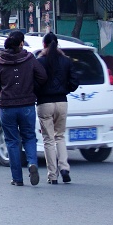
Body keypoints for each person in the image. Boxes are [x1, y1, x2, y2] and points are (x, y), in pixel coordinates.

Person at [0, 31, 47, 186]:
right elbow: (43, 76)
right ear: (21, 43)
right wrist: (31, 89)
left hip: (7, 106)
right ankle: (32, 163)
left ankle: (17, 178)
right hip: (27, 105)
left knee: (11, 141)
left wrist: (4, 94)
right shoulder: (29, 59)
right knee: (29, 137)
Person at [36, 32, 79, 184]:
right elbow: (75, 81)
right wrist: (65, 89)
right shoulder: (66, 61)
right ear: (57, 44)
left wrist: (38, 93)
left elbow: (34, 83)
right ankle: (65, 168)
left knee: (48, 139)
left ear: (44, 45)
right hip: (62, 102)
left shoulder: (39, 62)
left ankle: (52, 175)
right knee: (60, 136)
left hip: (44, 103)